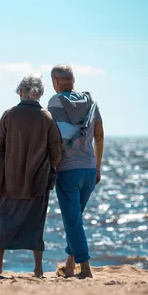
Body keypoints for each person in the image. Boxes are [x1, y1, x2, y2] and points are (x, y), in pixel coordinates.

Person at [0, 74, 63, 277]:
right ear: (39, 93)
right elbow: (56, 150)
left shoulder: (8, 115)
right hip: (37, 182)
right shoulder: (46, 117)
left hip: (8, 180)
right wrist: (51, 171)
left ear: (21, 92)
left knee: (2, 219)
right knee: (36, 223)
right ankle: (38, 269)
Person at [48, 65, 104, 279]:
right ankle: (70, 266)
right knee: (76, 220)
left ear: (56, 80)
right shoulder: (92, 102)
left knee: (72, 222)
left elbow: (51, 137)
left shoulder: (55, 102)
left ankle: (86, 269)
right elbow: (99, 136)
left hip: (68, 170)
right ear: (73, 80)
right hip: (89, 168)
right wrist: (98, 167)